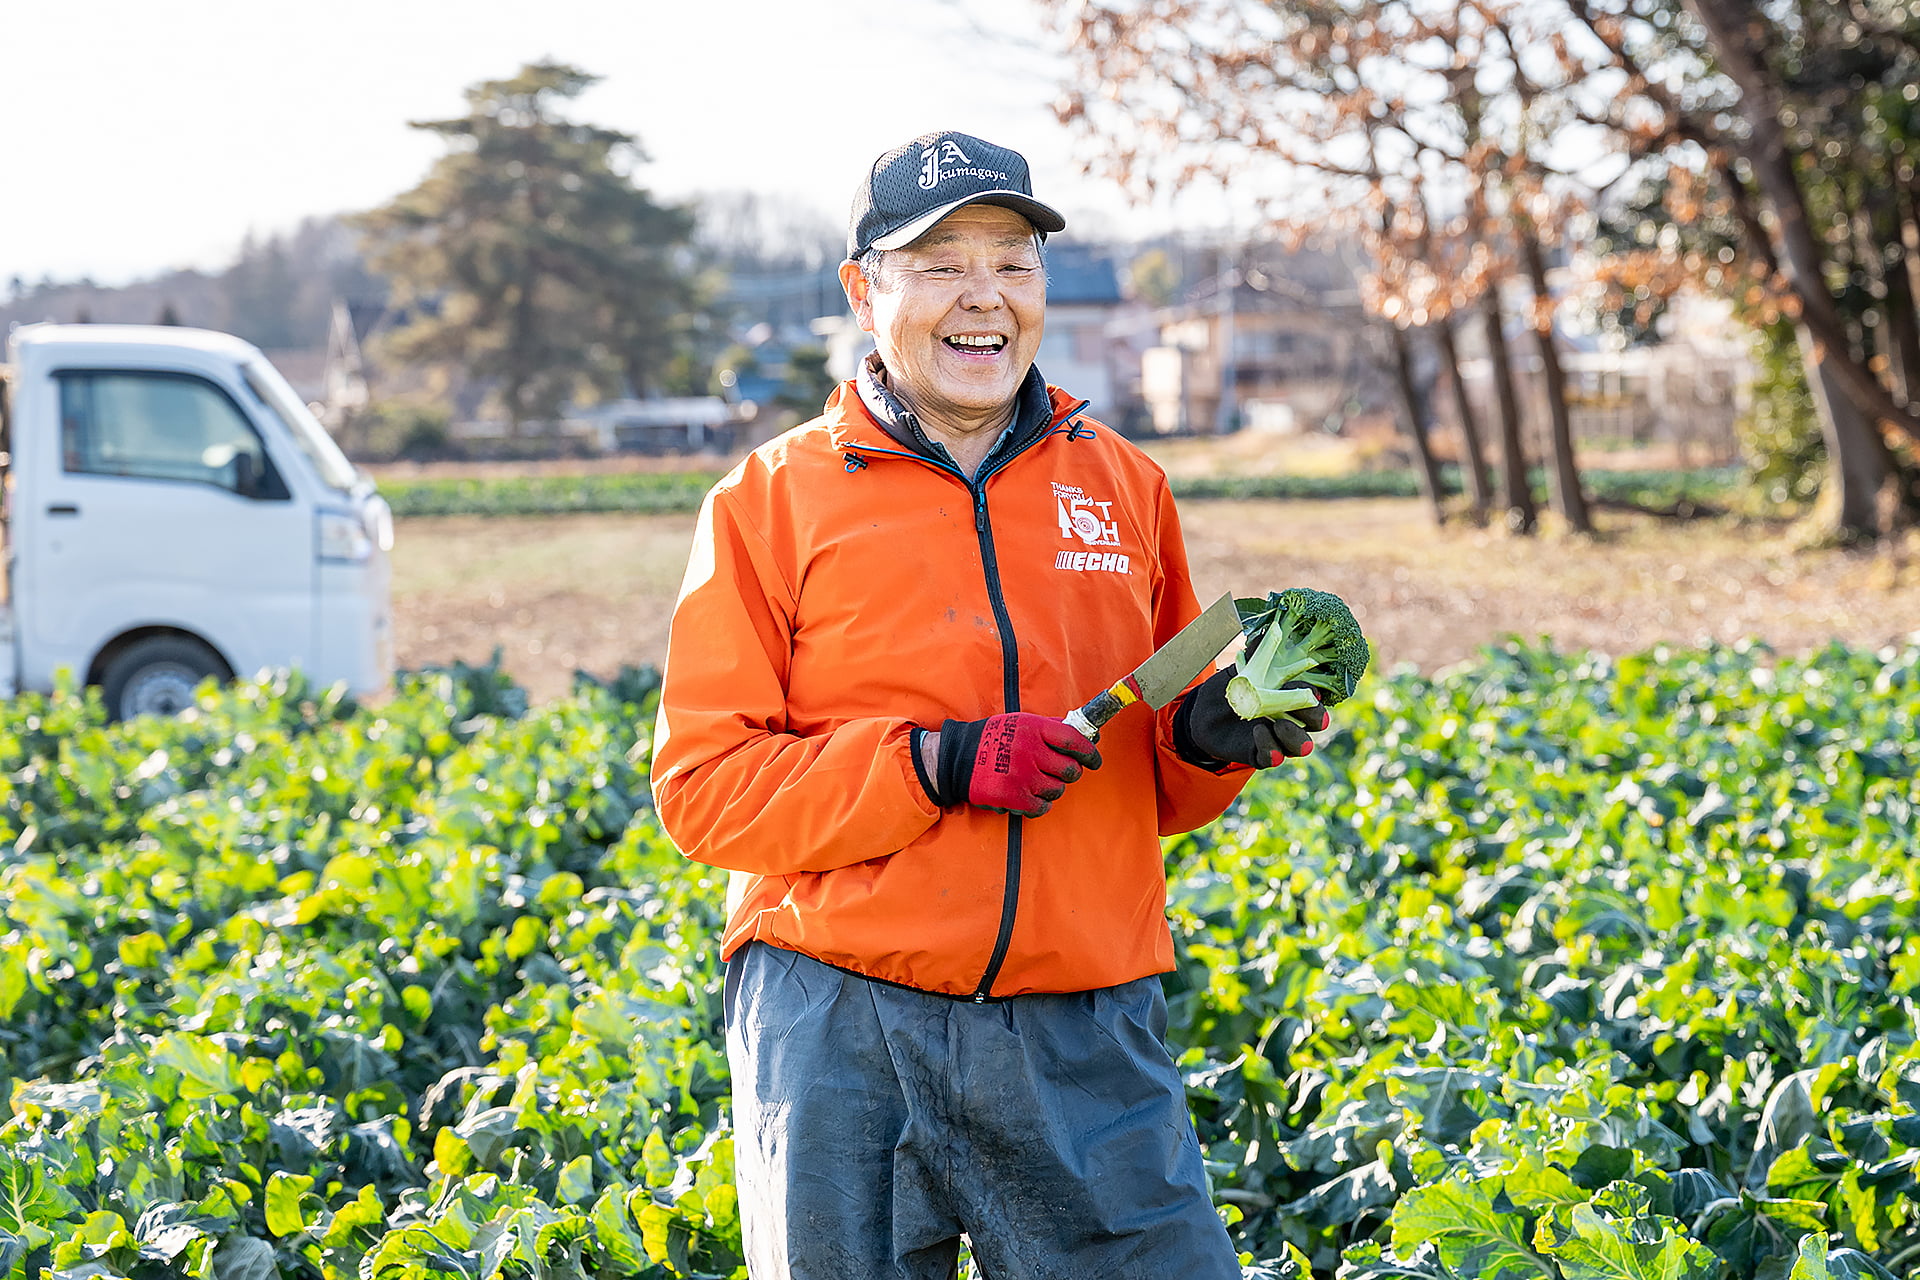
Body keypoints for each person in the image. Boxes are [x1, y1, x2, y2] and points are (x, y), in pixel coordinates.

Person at [652, 130, 1329, 1280]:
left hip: (1086, 1012)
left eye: (1014, 264)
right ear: (867, 291)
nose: (985, 298)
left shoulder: (1124, 483)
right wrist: (934, 764)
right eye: (941, 263)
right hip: (841, 1014)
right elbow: (705, 793)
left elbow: (1154, 773)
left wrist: (1213, 739)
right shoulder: (767, 502)